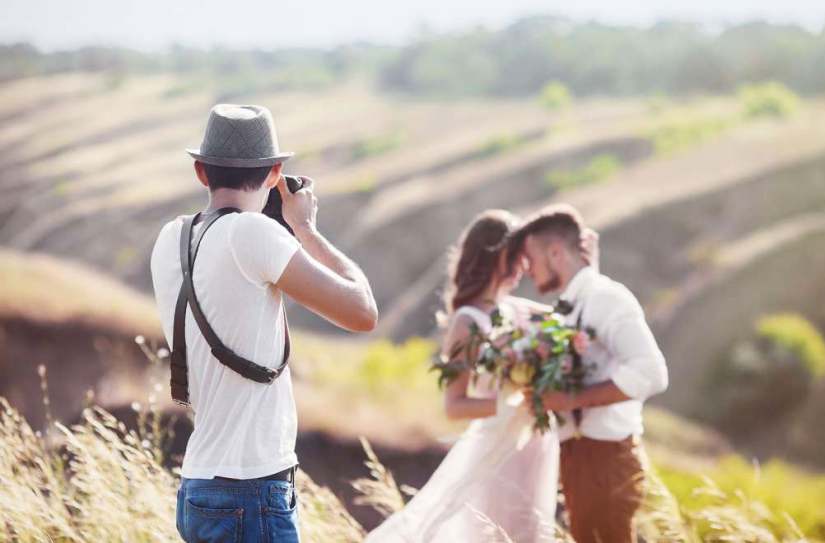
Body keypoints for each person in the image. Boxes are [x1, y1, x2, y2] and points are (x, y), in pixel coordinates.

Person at [150, 104, 377, 543]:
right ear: (275, 174)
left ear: (201, 172)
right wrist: (304, 228)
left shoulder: (170, 238)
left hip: (198, 481)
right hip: (251, 486)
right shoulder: (254, 235)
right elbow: (362, 311)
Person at [366, 209, 597, 543]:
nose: (525, 266)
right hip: (495, 449)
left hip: (535, 444)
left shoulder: (517, 309)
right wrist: (510, 402)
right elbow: (455, 406)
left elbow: (573, 319)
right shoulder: (466, 322)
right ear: (497, 255)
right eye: (518, 256)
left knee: (530, 534)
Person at [510, 204, 669, 543]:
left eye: (530, 258)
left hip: (605, 459)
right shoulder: (573, 305)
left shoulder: (607, 298)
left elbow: (652, 373)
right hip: (581, 458)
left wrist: (568, 399)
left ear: (555, 253)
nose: (526, 270)